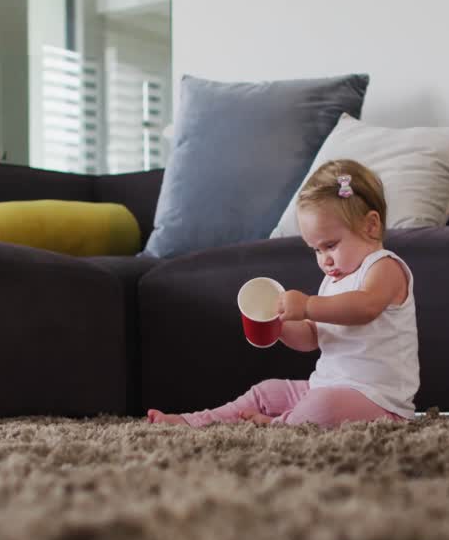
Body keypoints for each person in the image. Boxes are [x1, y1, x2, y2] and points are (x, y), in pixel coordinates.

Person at [147, 159, 419, 427]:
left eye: (331, 245)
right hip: (326, 386)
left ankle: (279, 425)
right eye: (316, 250)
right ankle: (193, 420)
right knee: (266, 391)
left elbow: (365, 307)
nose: (324, 259)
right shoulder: (333, 281)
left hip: (379, 399)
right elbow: (313, 337)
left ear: (370, 225)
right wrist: (280, 324)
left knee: (320, 407)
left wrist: (308, 305)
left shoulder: (384, 267)